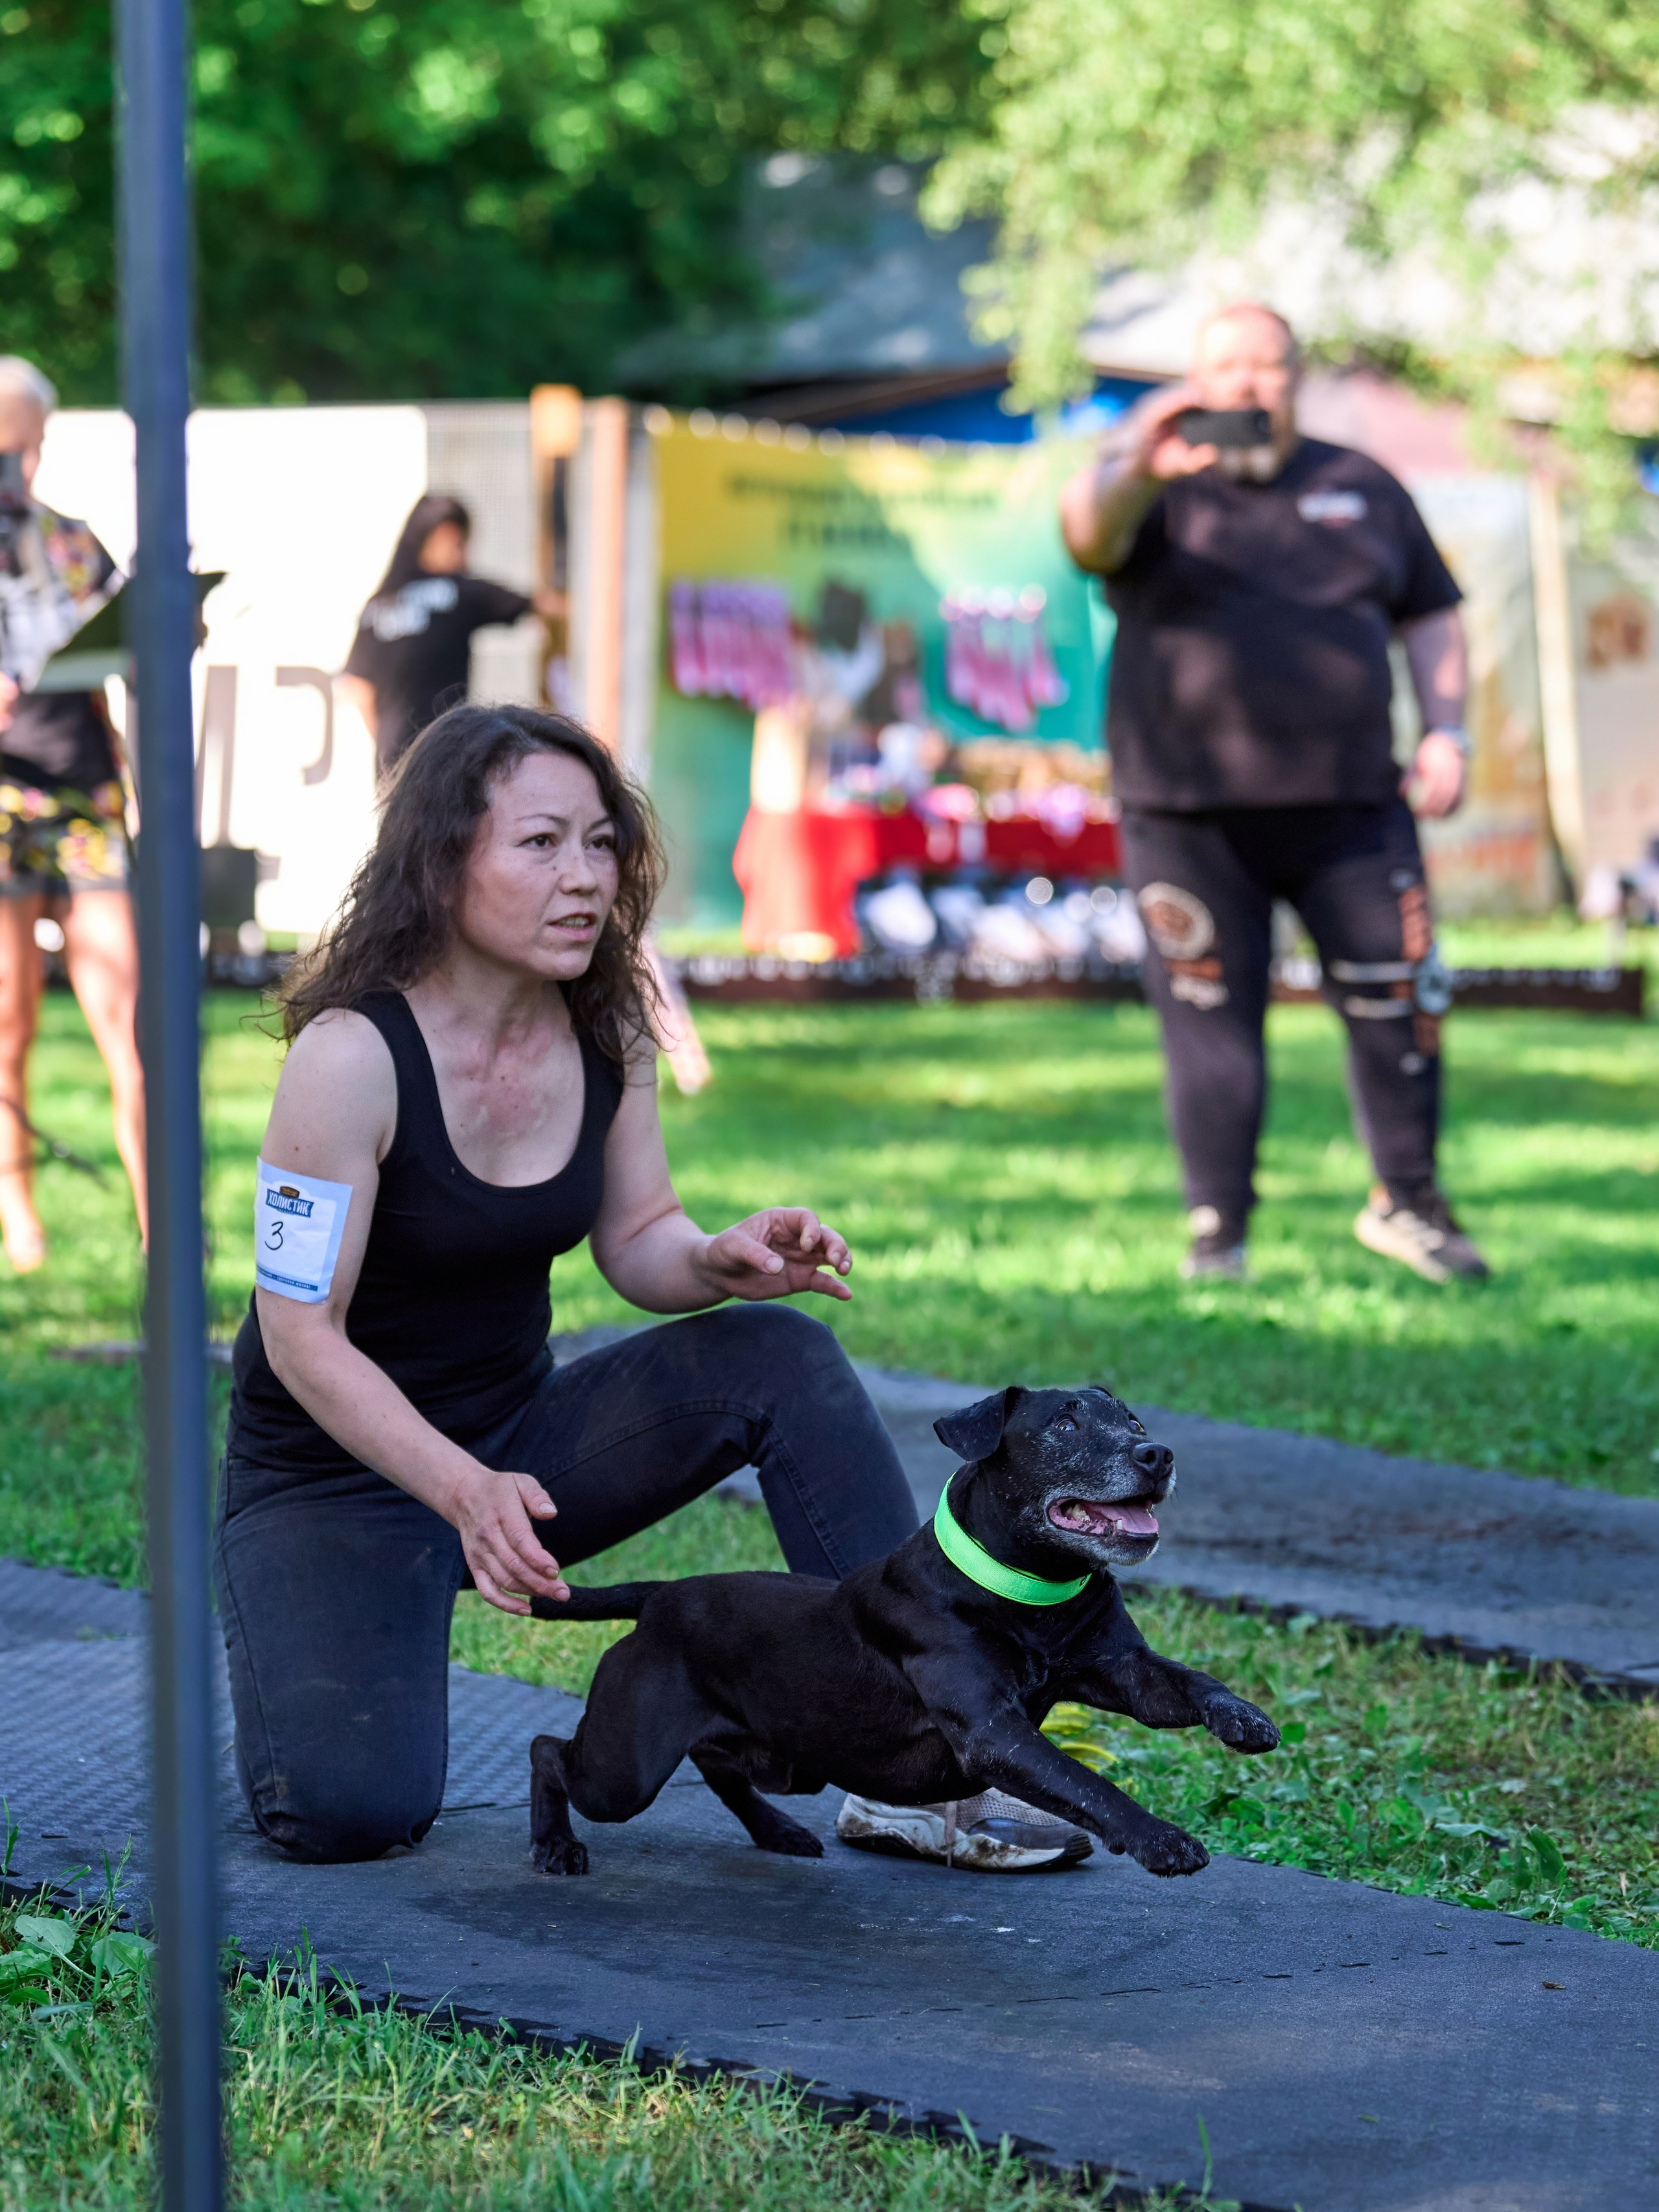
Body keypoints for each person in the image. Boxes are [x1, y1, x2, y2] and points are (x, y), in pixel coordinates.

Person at [218, 704, 1087, 1872]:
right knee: (348, 1815)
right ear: (441, 861)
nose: (585, 877)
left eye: (600, 842)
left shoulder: (604, 1024)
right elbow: (300, 1335)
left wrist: (720, 1257)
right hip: (338, 1477)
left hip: (517, 1442)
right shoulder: (348, 1058)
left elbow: (636, 1236)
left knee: (779, 1354)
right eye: (540, 844)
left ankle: (924, 1764)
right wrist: (461, 1491)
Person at [1060, 304, 1488, 1285]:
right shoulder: (1152, 480)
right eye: (1226, 367)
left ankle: (1409, 1203)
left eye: (1268, 365)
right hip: (1186, 815)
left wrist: (1447, 731)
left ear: (1297, 376)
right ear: (1195, 381)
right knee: (1209, 1021)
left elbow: (1432, 613)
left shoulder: (1362, 483)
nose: (1248, 384)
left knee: (1403, 997)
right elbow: (1085, 539)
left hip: (1353, 810)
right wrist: (1138, 462)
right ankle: (1219, 1234)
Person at [0, 355, 145, 1271]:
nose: (25, 462)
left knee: (128, 1015)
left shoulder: (70, 542)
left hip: (86, 794)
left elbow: (128, 640)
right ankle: (18, 1212)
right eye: (11, 446)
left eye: (33, 444)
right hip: (3, 803)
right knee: (7, 1018)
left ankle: (160, 1223)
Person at [340, 494, 563, 781]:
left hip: (396, 767)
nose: (462, 555)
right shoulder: (457, 592)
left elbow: (358, 687)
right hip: (447, 757)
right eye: (457, 543)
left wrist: (390, 748)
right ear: (439, 537)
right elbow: (542, 604)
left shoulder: (379, 605)